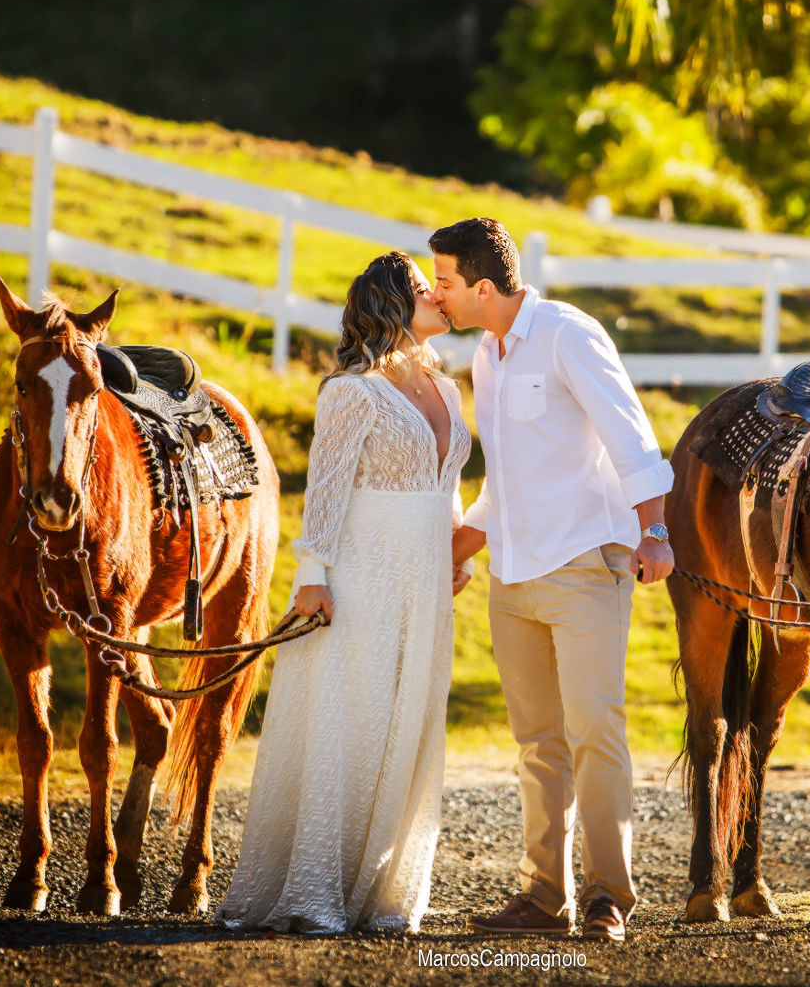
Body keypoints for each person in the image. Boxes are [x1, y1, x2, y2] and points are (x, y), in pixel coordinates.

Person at [432, 218, 674, 943]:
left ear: (483, 287)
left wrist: (655, 531)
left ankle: (609, 895)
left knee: (594, 729)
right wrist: (459, 549)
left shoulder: (569, 334)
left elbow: (631, 435)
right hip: (512, 574)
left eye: (444, 282)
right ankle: (544, 894)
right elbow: (505, 479)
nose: (437, 295)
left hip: (583, 565)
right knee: (537, 740)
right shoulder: (486, 354)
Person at [214, 251, 472, 935]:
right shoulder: (352, 392)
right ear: (392, 303)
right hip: (359, 576)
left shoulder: (447, 390)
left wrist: (455, 550)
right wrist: (311, 575)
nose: (439, 297)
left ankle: (382, 893)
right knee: (349, 722)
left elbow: (445, 483)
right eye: (424, 289)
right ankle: (315, 893)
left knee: (408, 721)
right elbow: (325, 491)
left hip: (424, 582)